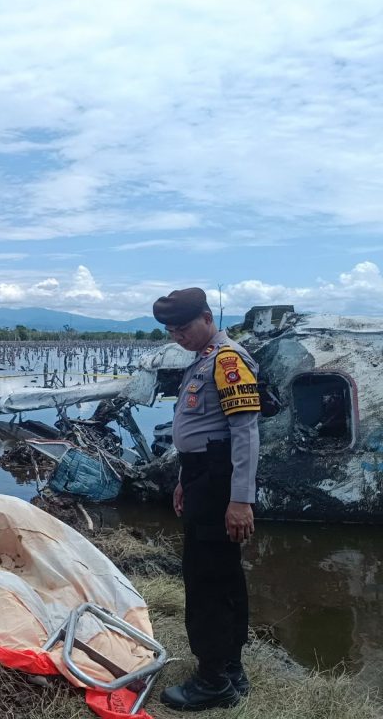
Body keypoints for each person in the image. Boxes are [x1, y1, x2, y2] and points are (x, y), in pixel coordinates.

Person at [154, 288, 261, 710]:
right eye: (170, 331)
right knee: (223, 574)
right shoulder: (203, 360)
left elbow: (244, 433)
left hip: (219, 483)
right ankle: (231, 669)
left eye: (183, 327)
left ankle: (212, 680)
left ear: (206, 317)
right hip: (203, 477)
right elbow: (199, 433)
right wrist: (184, 479)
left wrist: (240, 500)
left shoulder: (228, 361)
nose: (177, 336)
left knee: (206, 581)